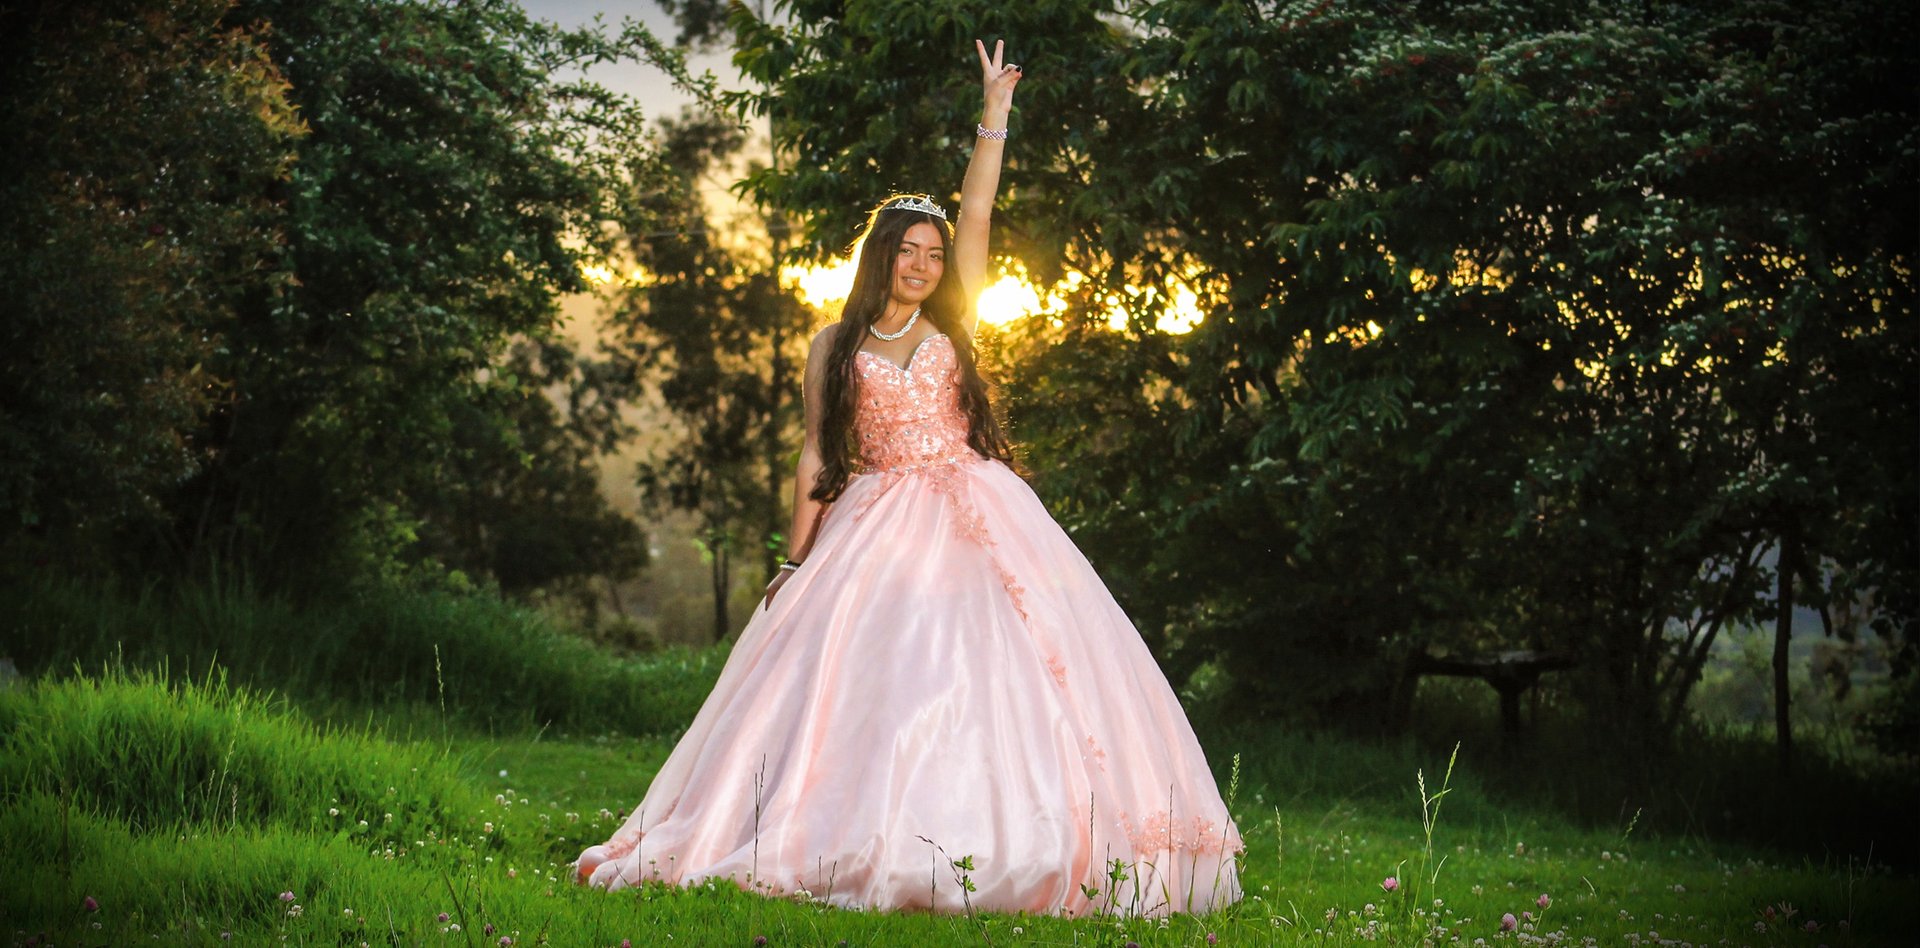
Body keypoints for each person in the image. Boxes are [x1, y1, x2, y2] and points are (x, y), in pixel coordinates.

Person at [575, 39, 1242, 917]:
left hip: (981, 512)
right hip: (874, 521)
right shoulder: (834, 346)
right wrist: (795, 557)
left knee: (1000, 674)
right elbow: (816, 455)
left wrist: (992, 116)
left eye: (933, 253)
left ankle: (1021, 838)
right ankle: (843, 830)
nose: (926, 264)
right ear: (881, 256)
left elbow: (978, 209)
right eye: (910, 252)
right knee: (868, 683)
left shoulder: (957, 316)